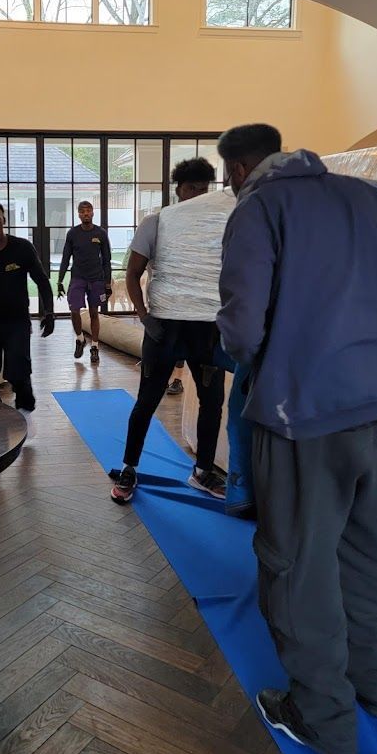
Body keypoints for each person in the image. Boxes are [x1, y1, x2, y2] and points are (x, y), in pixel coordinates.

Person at [216, 122, 377, 754]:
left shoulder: (258, 210)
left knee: (296, 565)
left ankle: (323, 718)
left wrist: (280, 362)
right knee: (370, 550)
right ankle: (374, 687)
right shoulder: (366, 197)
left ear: (237, 170)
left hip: (302, 419)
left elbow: (241, 330)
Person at [111, 158, 234, 503]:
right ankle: (129, 468)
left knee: (212, 401)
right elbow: (132, 273)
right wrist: (144, 316)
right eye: (192, 188)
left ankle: (202, 471)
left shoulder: (217, 226)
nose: (198, 194)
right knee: (147, 400)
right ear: (178, 190)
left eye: (203, 189)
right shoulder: (157, 222)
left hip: (206, 329)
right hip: (164, 328)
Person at [0, 199, 55, 421]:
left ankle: (25, 413)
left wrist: (49, 312)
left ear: (4, 220)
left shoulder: (22, 248)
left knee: (19, 371)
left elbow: (42, 281)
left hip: (17, 321)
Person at [57, 201, 112, 364]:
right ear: (79, 214)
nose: (86, 213)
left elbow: (107, 260)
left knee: (94, 313)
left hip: (96, 279)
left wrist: (107, 284)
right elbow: (65, 257)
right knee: (74, 310)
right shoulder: (72, 233)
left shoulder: (101, 233)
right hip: (78, 277)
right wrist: (60, 280)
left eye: (88, 210)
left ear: (93, 213)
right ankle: (80, 339)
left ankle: (94, 347)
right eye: (82, 211)